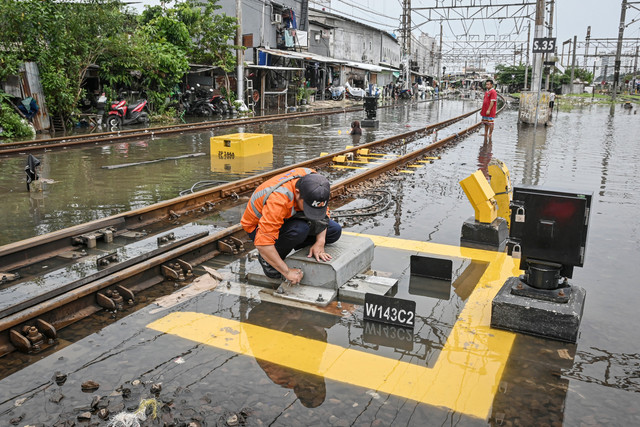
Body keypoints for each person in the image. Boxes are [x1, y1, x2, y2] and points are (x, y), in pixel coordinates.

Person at [241, 168, 342, 284]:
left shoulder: (317, 184)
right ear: (298, 193)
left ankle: (294, 242)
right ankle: (267, 259)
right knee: (299, 230)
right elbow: (263, 243)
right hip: (258, 227)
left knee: (334, 231)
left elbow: (324, 215)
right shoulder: (278, 200)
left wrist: (320, 242)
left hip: (292, 215)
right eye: (309, 207)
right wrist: (287, 271)